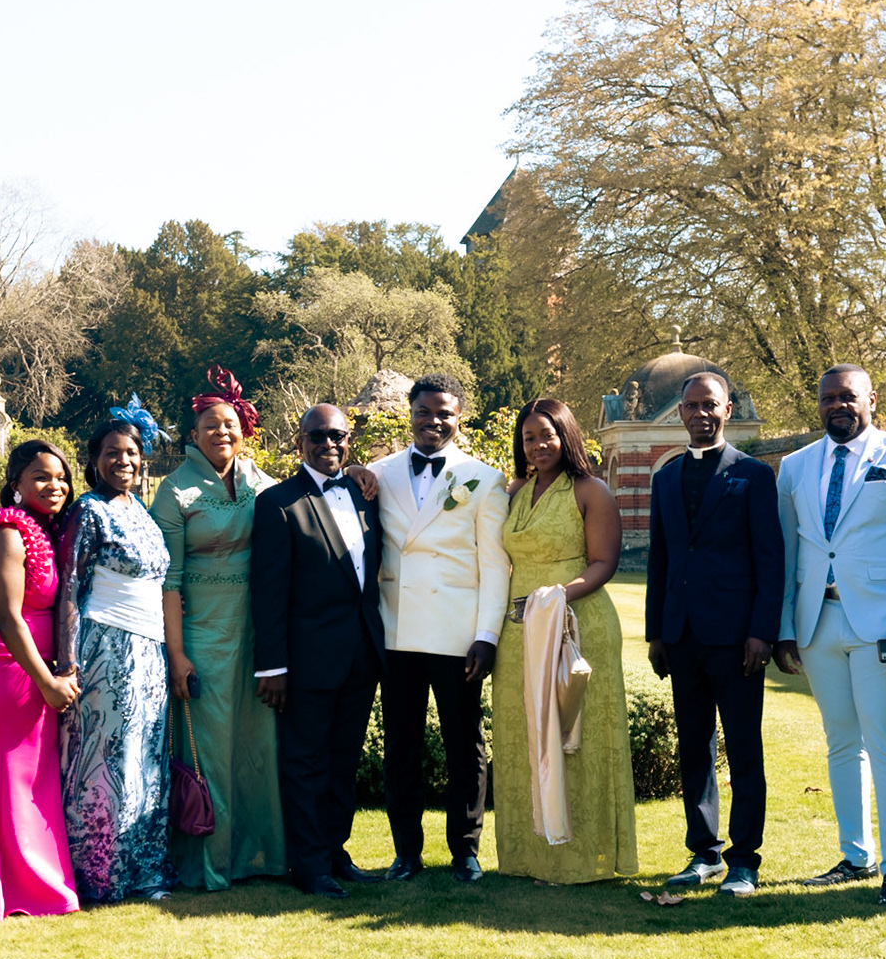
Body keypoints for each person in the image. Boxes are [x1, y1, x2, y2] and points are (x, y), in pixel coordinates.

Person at [774, 365, 886, 905]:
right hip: (816, 621)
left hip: (883, 623)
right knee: (842, 742)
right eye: (828, 398)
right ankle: (855, 855)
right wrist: (784, 628)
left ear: (871, 398)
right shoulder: (795, 466)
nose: (837, 406)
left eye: (848, 397)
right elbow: (788, 552)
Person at [367, 374, 509, 883]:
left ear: (459, 418)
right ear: (410, 413)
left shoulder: (484, 479)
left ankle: (465, 850)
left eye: (444, 413)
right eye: (424, 411)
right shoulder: (377, 474)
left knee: (464, 745)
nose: (434, 421)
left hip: (457, 634)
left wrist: (486, 636)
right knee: (401, 746)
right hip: (398, 629)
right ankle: (406, 852)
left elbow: (494, 565)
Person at [645, 373, 782, 897]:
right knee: (694, 749)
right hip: (682, 636)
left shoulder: (754, 475)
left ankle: (744, 860)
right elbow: (661, 559)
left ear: (728, 410)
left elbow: (770, 560)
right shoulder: (665, 478)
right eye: (691, 406)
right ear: (680, 412)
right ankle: (703, 853)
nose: (700, 414)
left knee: (744, 750)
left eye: (710, 405)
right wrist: (657, 632)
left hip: (737, 638)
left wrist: (762, 633)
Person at [152, 367, 288, 891]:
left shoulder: (261, 482)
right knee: (206, 749)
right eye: (210, 425)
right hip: (201, 635)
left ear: (244, 428)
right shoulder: (175, 490)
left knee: (257, 744)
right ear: (194, 434)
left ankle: (259, 856)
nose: (221, 432)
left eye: (229, 424)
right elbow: (168, 580)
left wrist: (361, 475)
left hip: (255, 634)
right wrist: (177, 655)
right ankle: (208, 862)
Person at [491, 399, 637, 884]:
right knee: (523, 736)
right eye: (528, 438)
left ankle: (582, 858)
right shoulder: (514, 491)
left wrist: (554, 597)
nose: (538, 445)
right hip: (519, 632)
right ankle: (528, 856)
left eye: (547, 435)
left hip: (576, 625)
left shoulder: (590, 490)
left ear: (567, 435)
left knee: (578, 738)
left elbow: (604, 562)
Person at [251, 404, 388, 898]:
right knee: (305, 762)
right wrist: (272, 667)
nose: (329, 444)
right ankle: (309, 866)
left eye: (338, 436)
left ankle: (335, 852)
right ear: (300, 442)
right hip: (306, 660)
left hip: (361, 654)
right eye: (318, 436)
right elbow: (268, 592)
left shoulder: (364, 495)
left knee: (343, 761)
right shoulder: (277, 504)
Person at [0, 440, 83, 920]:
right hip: (6, 665)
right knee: (13, 777)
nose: (55, 486)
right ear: (16, 484)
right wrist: (46, 681)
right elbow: (8, 617)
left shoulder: (43, 529)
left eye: (61, 477)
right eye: (41, 477)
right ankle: (6, 888)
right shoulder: (8, 532)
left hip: (33, 667)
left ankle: (36, 880)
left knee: (32, 777)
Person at [58, 418, 177, 903]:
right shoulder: (88, 511)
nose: (122, 461)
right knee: (105, 761)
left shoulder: (141, 510)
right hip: (106, 649)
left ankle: (144, 870)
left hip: (150, 652)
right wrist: (68, 662)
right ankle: (99, 876)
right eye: (111, 452)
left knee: (147, 757)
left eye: (130, 453)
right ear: (94, 460)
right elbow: (70, 585)